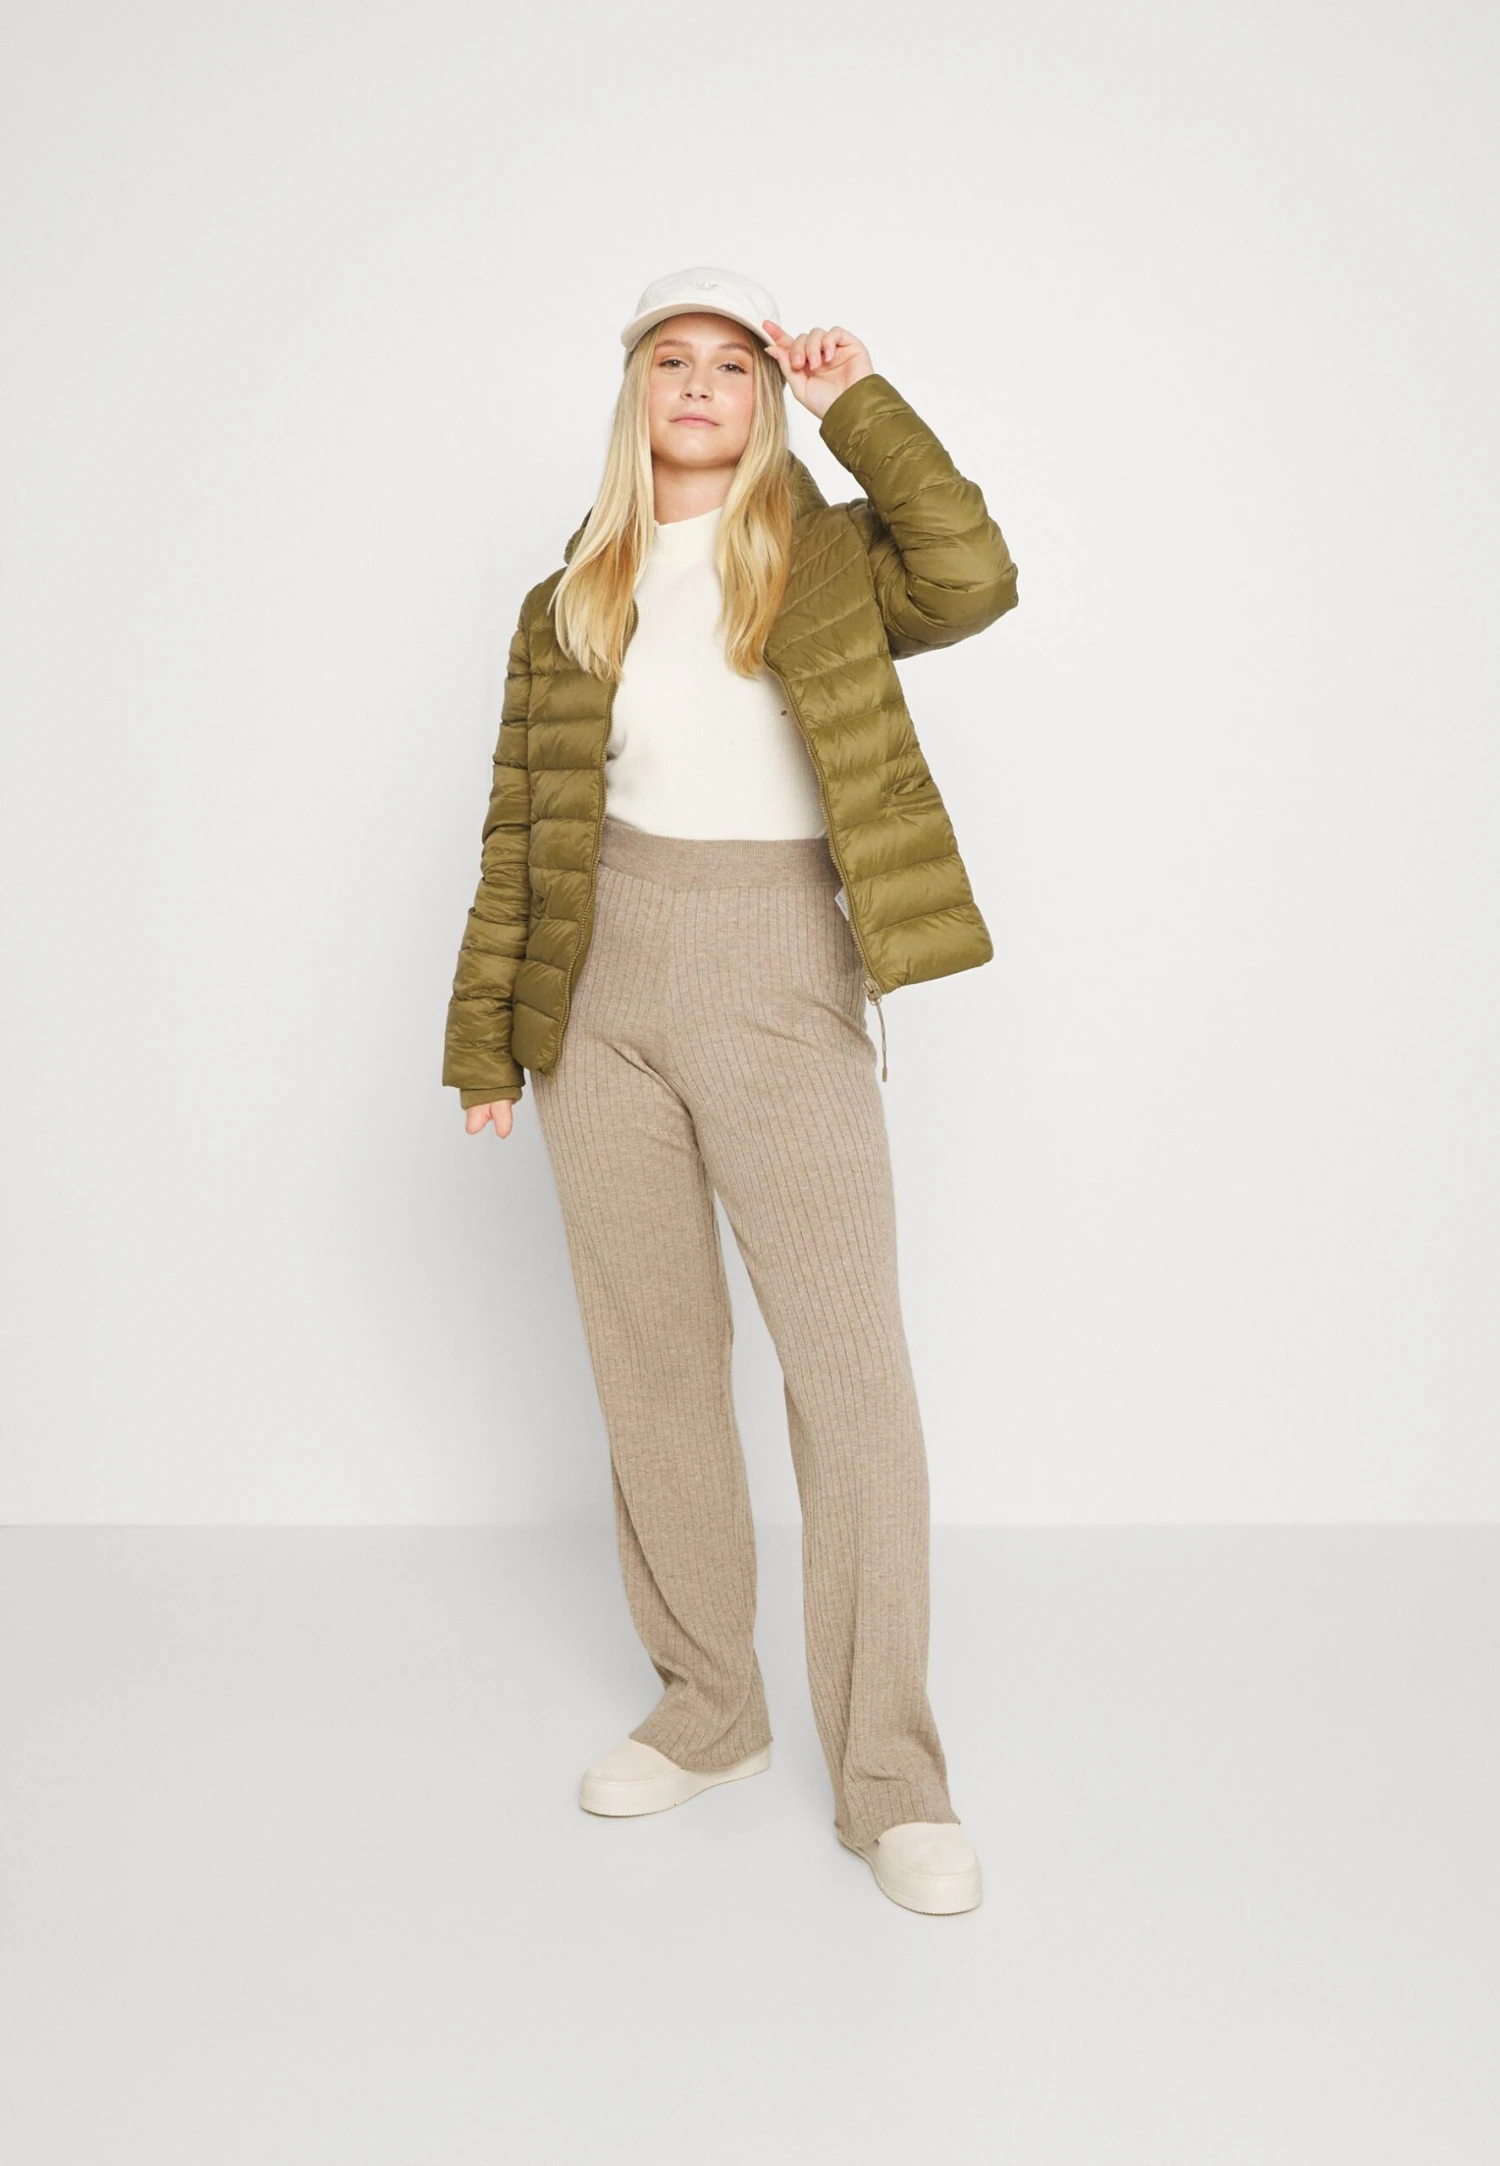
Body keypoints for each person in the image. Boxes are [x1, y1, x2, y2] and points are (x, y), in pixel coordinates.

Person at [442, 266, 1019, 1915]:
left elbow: (975, 576)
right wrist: (486, 1040)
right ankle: (710, 1707)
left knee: (850, 1379)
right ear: (636, 394)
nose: (700, 384)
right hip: (598, 991)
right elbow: (520, 830)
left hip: (779, 974)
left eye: (734, 366)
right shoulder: (569, 592)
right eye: (671, 361)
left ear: (764, 401)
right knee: (654, 1367)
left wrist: (857, 404)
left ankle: (892, 1776)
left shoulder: (824, 558)